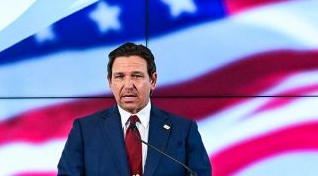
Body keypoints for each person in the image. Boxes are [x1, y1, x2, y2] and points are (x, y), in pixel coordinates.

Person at [57, 42, 212, 176]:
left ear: (153, 80)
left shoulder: (184, 130)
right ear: (110, 81)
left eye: (136, 76)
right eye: (119, 77)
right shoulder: (85, 131)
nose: (128, 85)